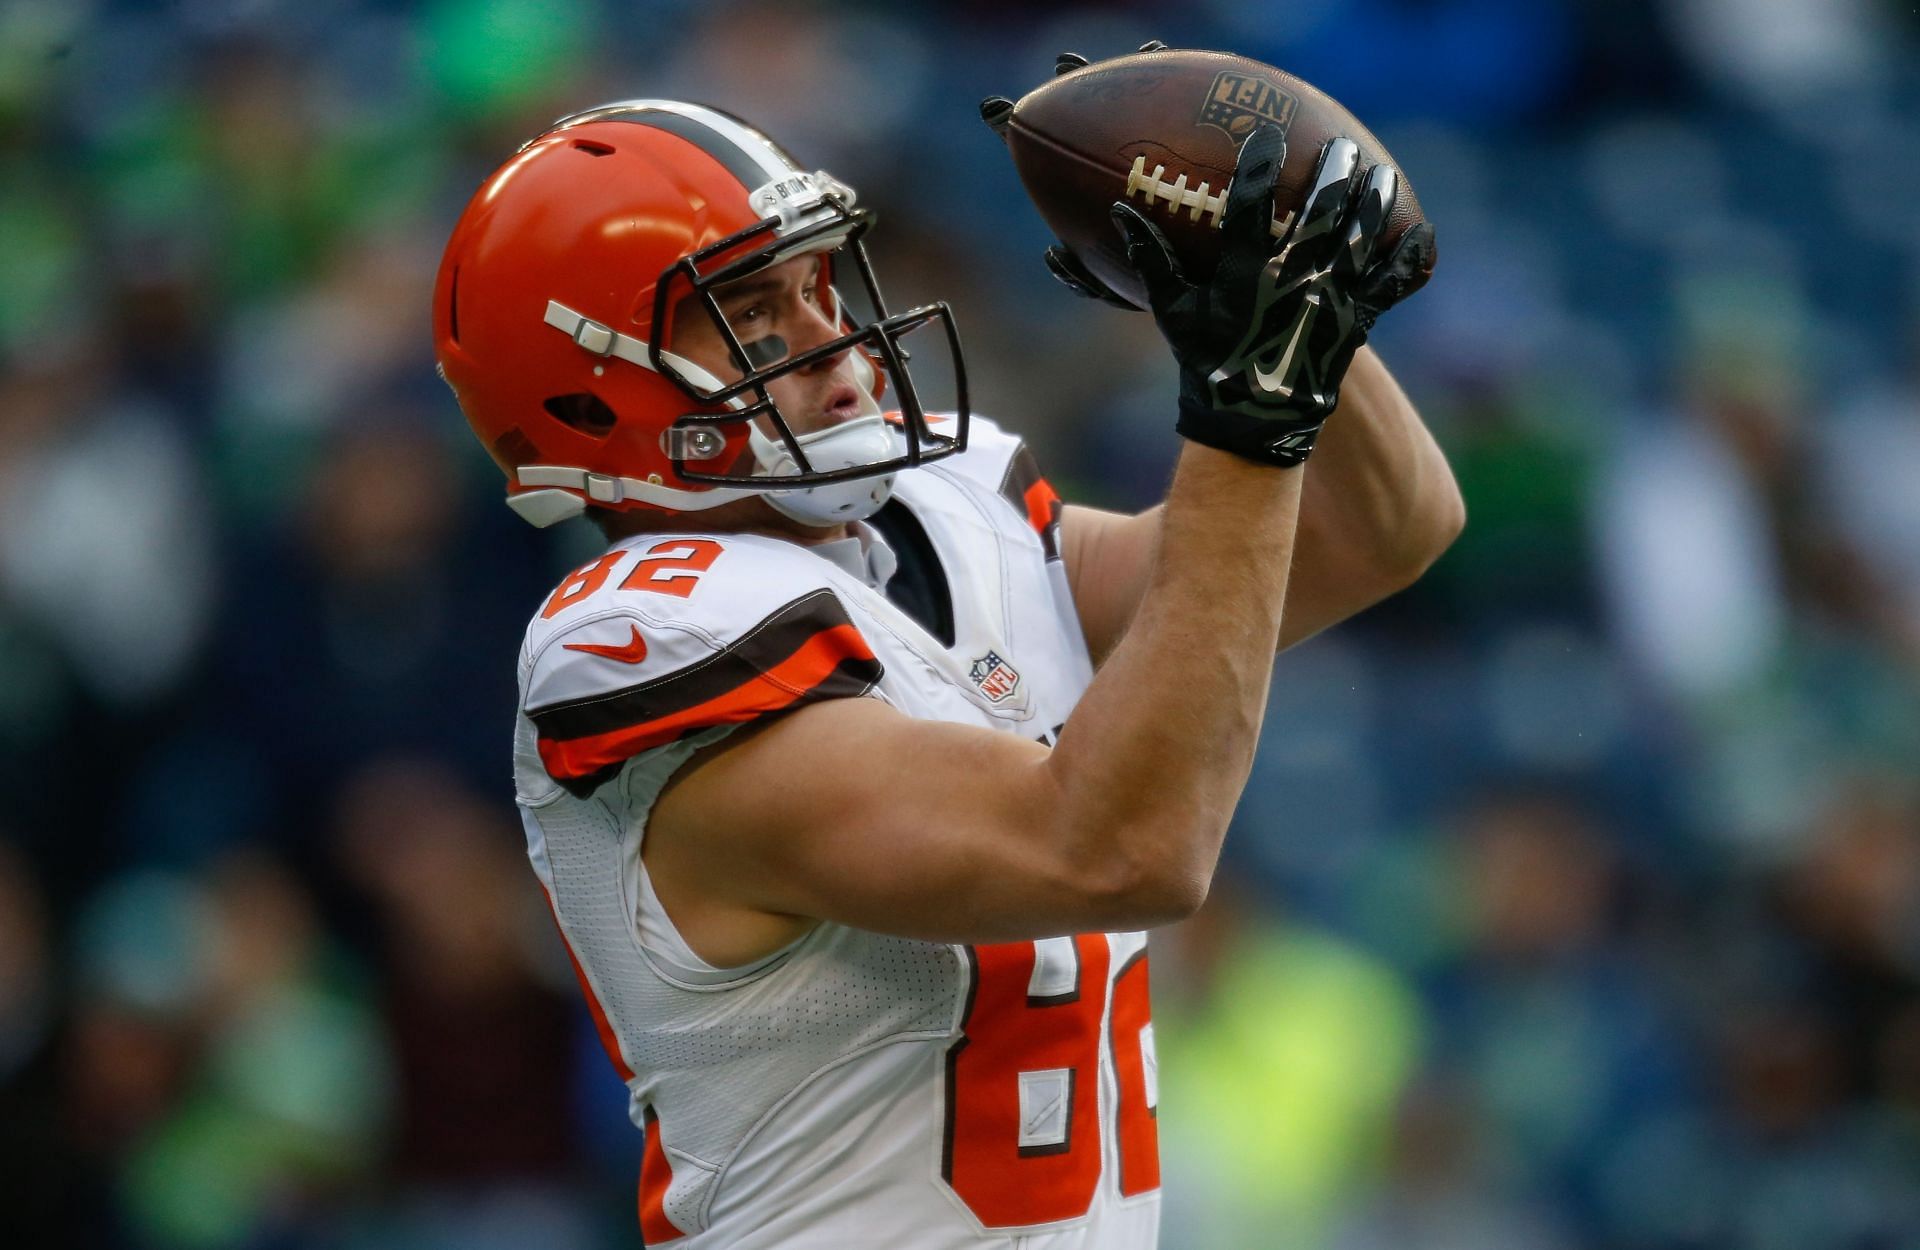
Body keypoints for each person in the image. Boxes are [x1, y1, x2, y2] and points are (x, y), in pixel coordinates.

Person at [431, 73, 1458, 1247]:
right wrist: (1250, 406)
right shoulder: (634, 645)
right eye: (755, 312)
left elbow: (1376, 529)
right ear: (587, 388)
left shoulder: (941, 513)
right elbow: (1120, 847)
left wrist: (1282, 300)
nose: (832, 340)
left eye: (818, 283)